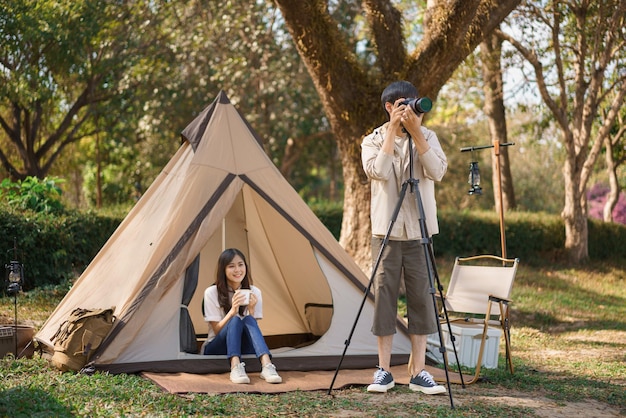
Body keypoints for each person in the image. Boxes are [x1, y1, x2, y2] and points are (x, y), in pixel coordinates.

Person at [361, 80, 448, 395]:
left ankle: (419, 371)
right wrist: (391, 134)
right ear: (388, 107)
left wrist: (416, 134)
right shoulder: (371, 140)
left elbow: (438, 172)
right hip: (386, 230)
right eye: (402, 104)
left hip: (420, 231)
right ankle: (383, 371)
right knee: (384, 297)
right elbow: (378, 171)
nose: (410, 108)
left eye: (412, 102)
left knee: (422, 299)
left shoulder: (428, 137)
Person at [202, 248, 282, 384]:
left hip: (243, 347)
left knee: (249, 319)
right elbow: (216, 331)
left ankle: (267, 366)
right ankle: (235, 367)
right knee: (235, 320)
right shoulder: (211, 292)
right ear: (223, 270)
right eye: (231, 266)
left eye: (241, 265)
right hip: (216, 347)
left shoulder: (255, 292)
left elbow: (252, 333)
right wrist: (233, 311)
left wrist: (251, 310)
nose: (237, 270)